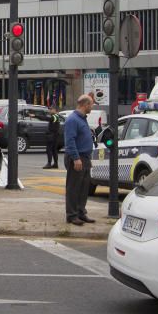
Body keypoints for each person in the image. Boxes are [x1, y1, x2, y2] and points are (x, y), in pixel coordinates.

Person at [64, 94, 96, 226]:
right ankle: (72, 215)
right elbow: (70, 141)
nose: (92, 107)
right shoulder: (73, 120)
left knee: (83, 188)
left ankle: (81, 212)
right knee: (74, 187)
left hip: (85, 157)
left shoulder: (82, 119)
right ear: (85, 105)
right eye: (91, 104)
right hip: (77, 157)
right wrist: (76, 158)